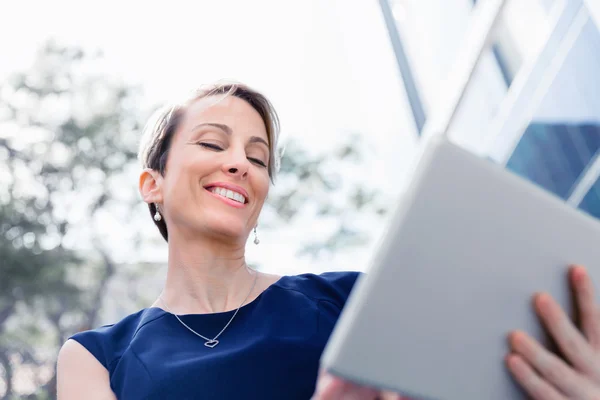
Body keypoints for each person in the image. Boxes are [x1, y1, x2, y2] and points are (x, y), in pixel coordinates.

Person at [56, 82, 600, 400]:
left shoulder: (355, 301)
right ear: (152, 183)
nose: (239, 163)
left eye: (258, 157)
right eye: (211, 142)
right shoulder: (96, 358)